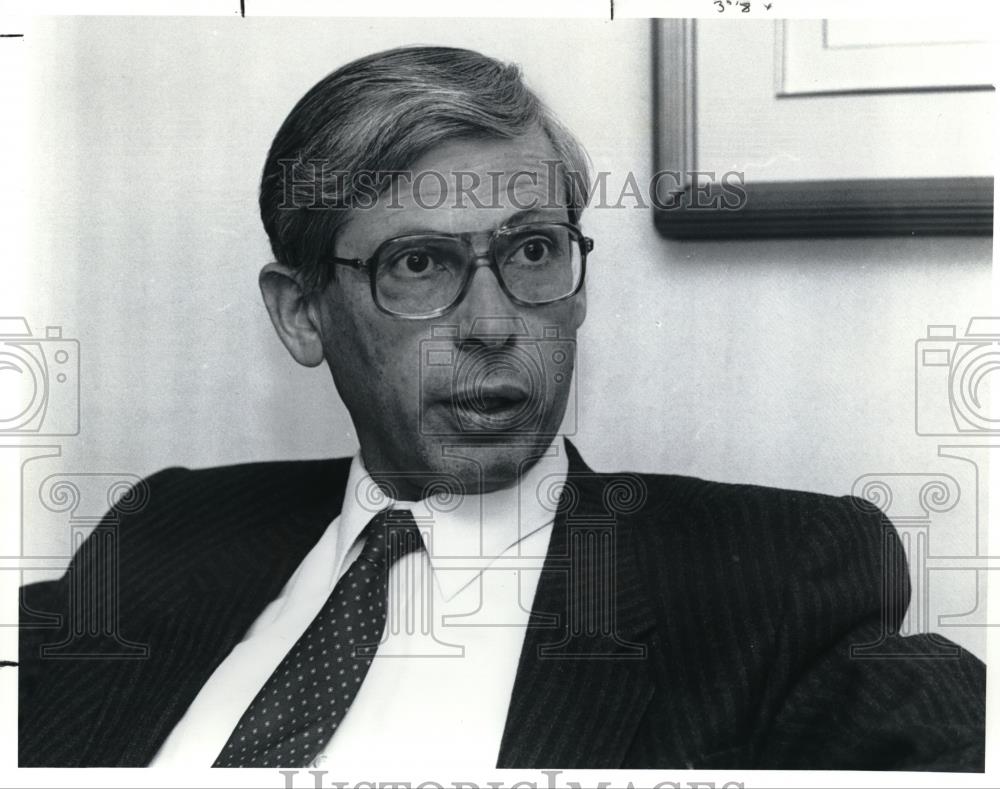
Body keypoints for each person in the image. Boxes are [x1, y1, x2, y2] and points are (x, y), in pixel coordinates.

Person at [19, 45, 985, 771]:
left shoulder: (772, 574)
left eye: (531, 252)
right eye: (418, 263)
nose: (493, 324)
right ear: (303, 312)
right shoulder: (170, 528)